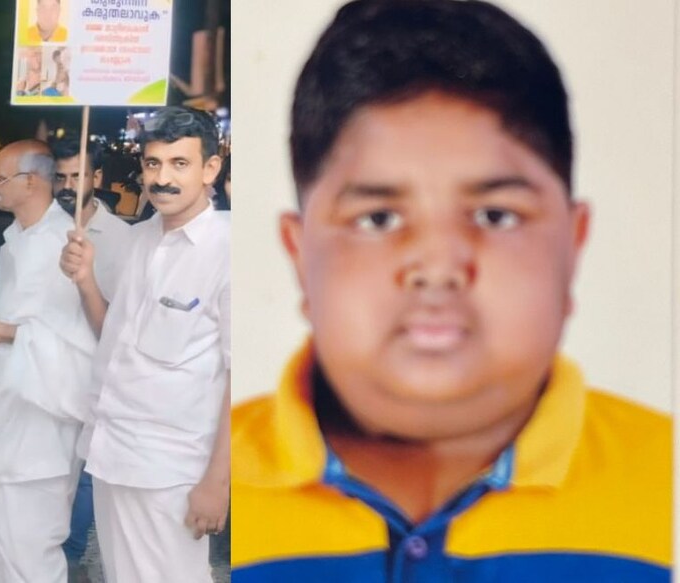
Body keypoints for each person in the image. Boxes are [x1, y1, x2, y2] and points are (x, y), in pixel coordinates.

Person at [229, 1, 670, 581]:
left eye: (494, 215)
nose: (436, 267)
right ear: (297, 253)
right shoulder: (221, 480)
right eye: (379, 219)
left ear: (574, 244)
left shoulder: (665, 484)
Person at [60, 106, 230, 582]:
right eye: (154, 164)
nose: (163, 179)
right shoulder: (136, 241)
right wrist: (85, 280)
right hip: (111, 453)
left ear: (210, 169)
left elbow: (244, 377)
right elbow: (112, 334)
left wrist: (218, 483)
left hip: (173, 471)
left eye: (180, 164)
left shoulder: (228, 250)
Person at [0, 140, 95, 583]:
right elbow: (6, 324)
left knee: (31, 549)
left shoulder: (63, 246)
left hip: (43, 429)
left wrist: (3, 333)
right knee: (9, 546)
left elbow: (81, 348)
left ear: (30, 182)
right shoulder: (16, 240)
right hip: (9, 414)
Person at [49, 137, 131, 574]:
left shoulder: (122, 239)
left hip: (93, 373)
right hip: (43, 373)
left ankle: (71, 555)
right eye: (59, 176)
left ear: (96, 179)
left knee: (83, 473)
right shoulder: (37, 229)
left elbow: (118, 322)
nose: (66, 185)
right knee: (45, 470)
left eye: (76, 175)